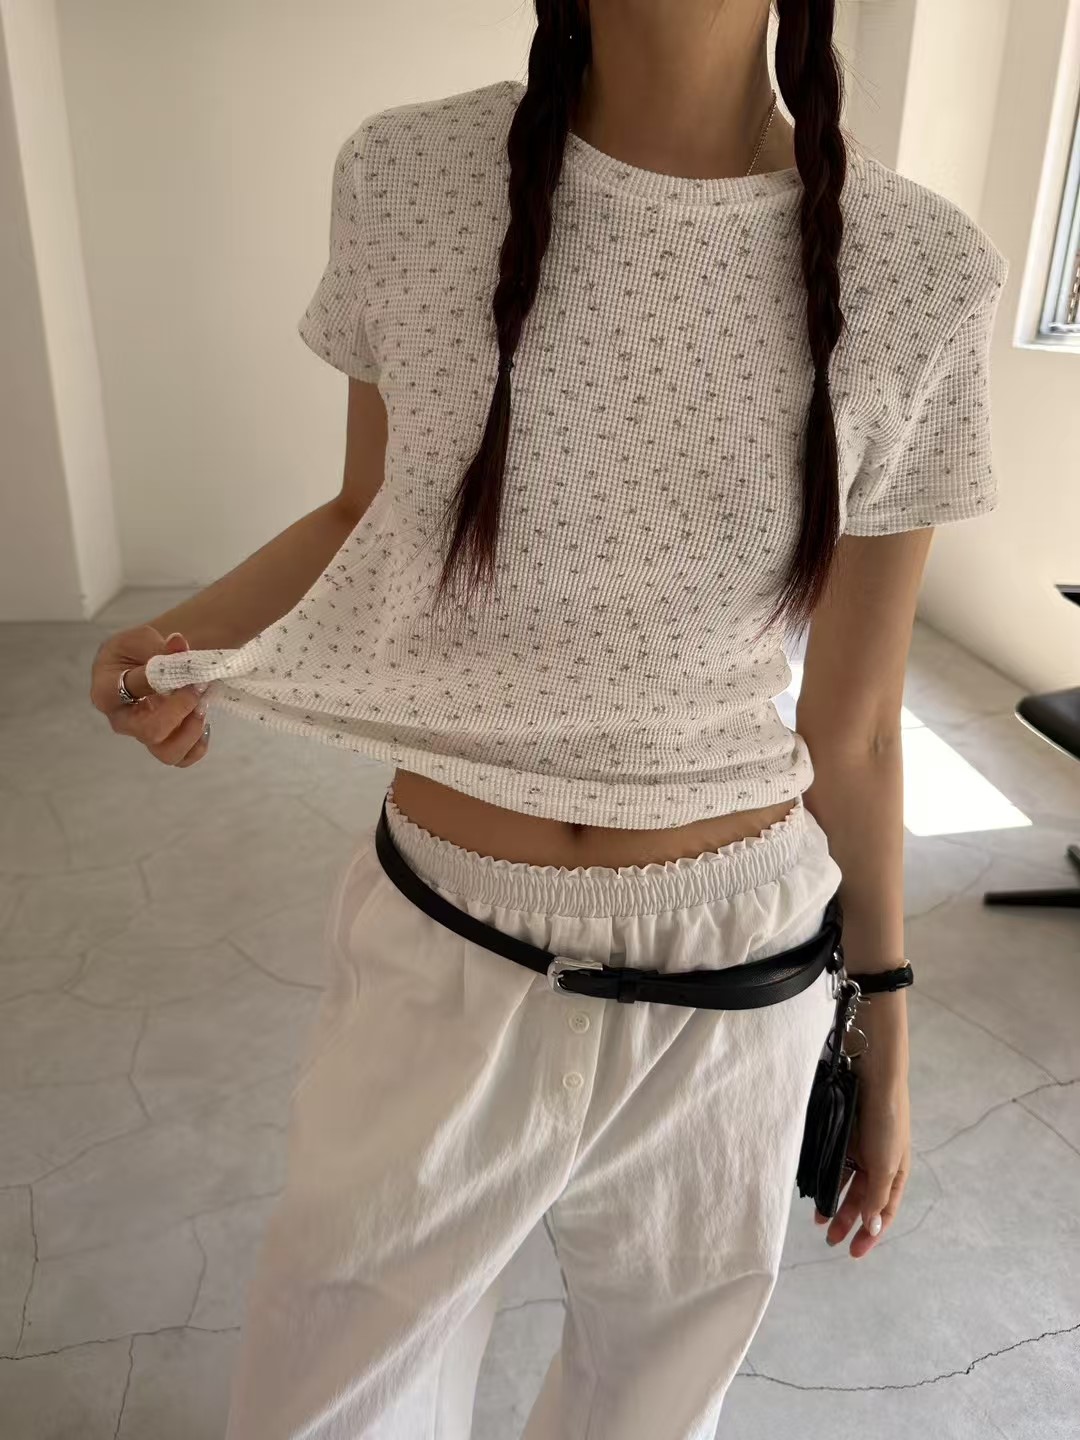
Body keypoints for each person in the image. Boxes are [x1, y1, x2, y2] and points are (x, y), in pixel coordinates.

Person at [88, 1, 1007, 1435]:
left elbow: (861, 723)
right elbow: (368, 512)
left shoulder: (922, 267)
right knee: (327, 1401)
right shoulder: (406, 177)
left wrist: (880, 1024)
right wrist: (183, 640)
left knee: (650, 1408)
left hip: (740, 973)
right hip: (443, 931)